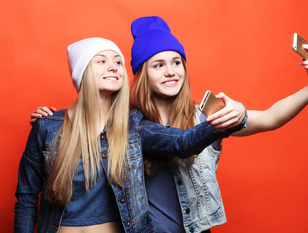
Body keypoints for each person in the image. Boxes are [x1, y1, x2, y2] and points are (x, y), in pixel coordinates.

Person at [31, 16, 308, 233]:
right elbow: (84, 140)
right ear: (142, 73)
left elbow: (272, 117)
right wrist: (54, 122)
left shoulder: (205, 116)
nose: (171, 71)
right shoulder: (128, 125)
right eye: (158, 65)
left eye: (177, 62)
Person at [15, 37, 247, 233]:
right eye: (102, 61)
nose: (114, 66)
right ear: (82, 71)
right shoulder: (47, 127)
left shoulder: (133, 127)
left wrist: (229, 117)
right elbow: (26, 199)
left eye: (118, 61)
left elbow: (181, 143)